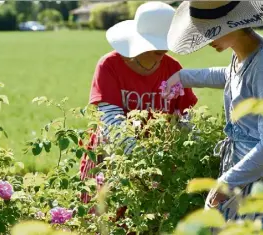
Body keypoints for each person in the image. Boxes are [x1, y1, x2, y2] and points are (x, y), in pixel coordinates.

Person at [162, 1, 263, 233]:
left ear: (235, 23)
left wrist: (227, 182)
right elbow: (231, 76)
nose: (206, 38)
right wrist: (182, 77)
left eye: (212, 28)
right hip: (249, 174)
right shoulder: (245, 54)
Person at [80, 1, 197, 210]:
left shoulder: (173, 68)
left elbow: (185, 118)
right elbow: (110, 122)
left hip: (159, 167)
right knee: (104, 221)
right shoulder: (110, 65)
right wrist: (142, 162)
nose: (164, 49)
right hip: (111, 160)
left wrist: (196, 151)